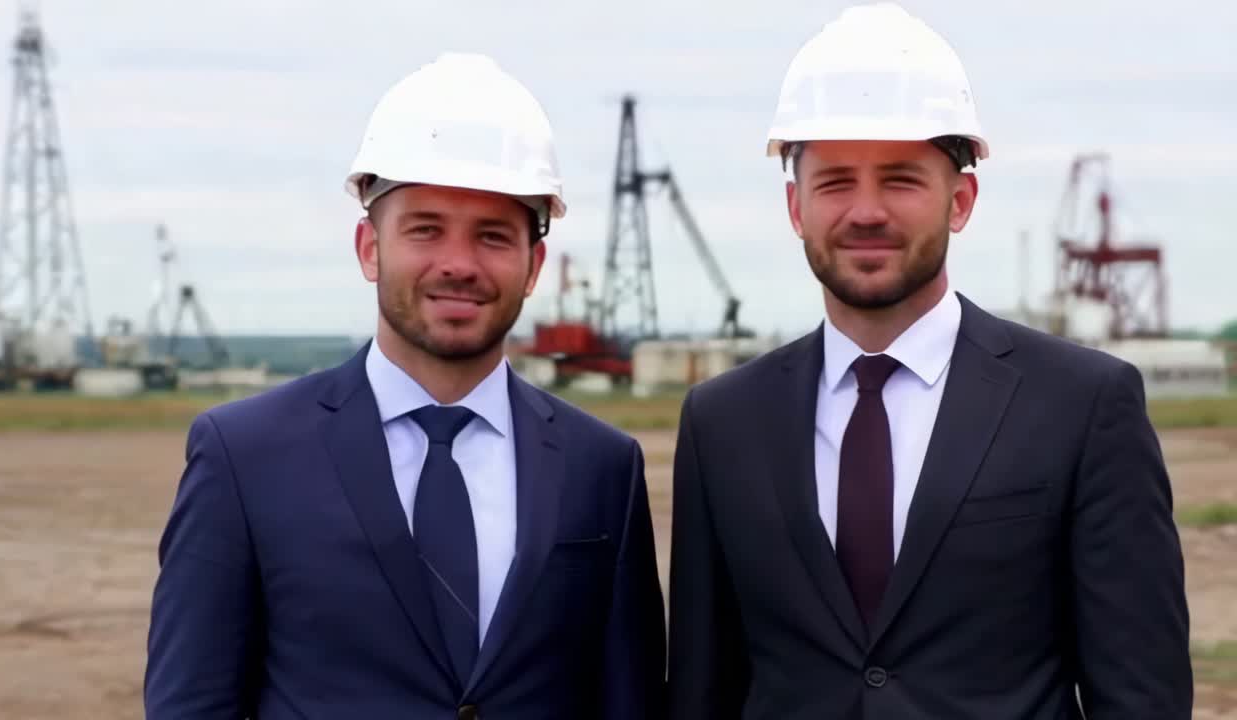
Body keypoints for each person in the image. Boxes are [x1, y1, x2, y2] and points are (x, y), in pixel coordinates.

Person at [665, 4, 1192, 719]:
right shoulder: (721, 422)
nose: (867, 211)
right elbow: (702, 689)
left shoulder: (1083, 405)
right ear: (795, 206)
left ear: (961, 199)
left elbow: (1141, 695)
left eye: (902, 179)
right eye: (835, 182)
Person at [144, 52, 666, 719]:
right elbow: (192, 703)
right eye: (425, 230)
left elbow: (630, 700)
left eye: (492, 236)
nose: (458, 263)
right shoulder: (244, 456)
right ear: (369, 247)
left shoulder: (602, 467)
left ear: (533, 266)